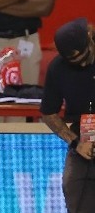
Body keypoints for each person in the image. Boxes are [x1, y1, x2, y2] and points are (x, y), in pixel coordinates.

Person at [41, 18, 95, 212]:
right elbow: (49, 113)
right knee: (72, 184)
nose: (82, 65)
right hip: (85, 137)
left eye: (84, 57)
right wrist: (76, 143)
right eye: (75, 63)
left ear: (90, 39)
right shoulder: (57, 68)